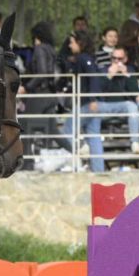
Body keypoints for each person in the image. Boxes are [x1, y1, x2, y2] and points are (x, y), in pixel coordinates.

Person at [58, 30, 106, 172]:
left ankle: (81, 147)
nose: (70, 46)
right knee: (94, 135)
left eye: (72, 42)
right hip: (90, 102)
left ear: (80, 43)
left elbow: (92, 77)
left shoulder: (84, 58)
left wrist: (92, 99)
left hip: (87, 102)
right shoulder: (85, 58)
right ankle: (99, 170)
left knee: (68, 127)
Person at [20, 22, 59, 157]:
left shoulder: (40, 49)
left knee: (24, 124)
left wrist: (27, 87)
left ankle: (28, 161)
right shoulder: (51, 49)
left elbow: (42, 72)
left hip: (39, 94)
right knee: (52, 130)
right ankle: (75, 151)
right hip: (50, 94)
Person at [101, 46, 139, 155]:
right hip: (106, 106)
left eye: (119, 59)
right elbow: (99, 90)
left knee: (132, 107)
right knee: (91, 109)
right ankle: (88, 143)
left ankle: (135, 142)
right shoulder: (103, 70)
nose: (116, 61)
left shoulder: (130, 70)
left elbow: (135, 92)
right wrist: (109, 75)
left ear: (125, 59)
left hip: (124, 106)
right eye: (114, 58)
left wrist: (127, 75)